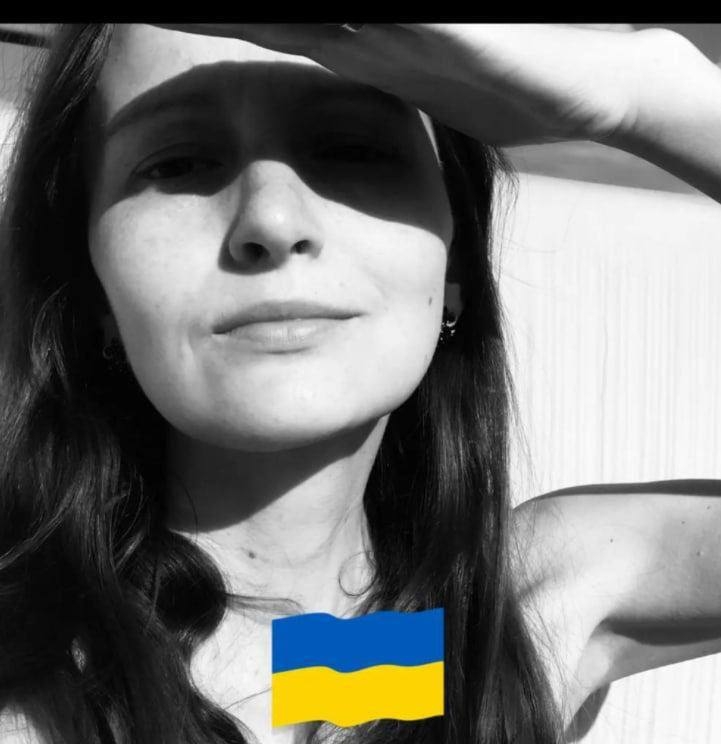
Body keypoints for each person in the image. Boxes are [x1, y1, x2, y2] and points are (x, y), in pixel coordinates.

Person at [0, 22, 719, 744]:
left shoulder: (500, 617)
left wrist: (639, 93)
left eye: (351, 149)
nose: (271, 220)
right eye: (178, 163)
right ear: (91, 284)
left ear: (455, 262)